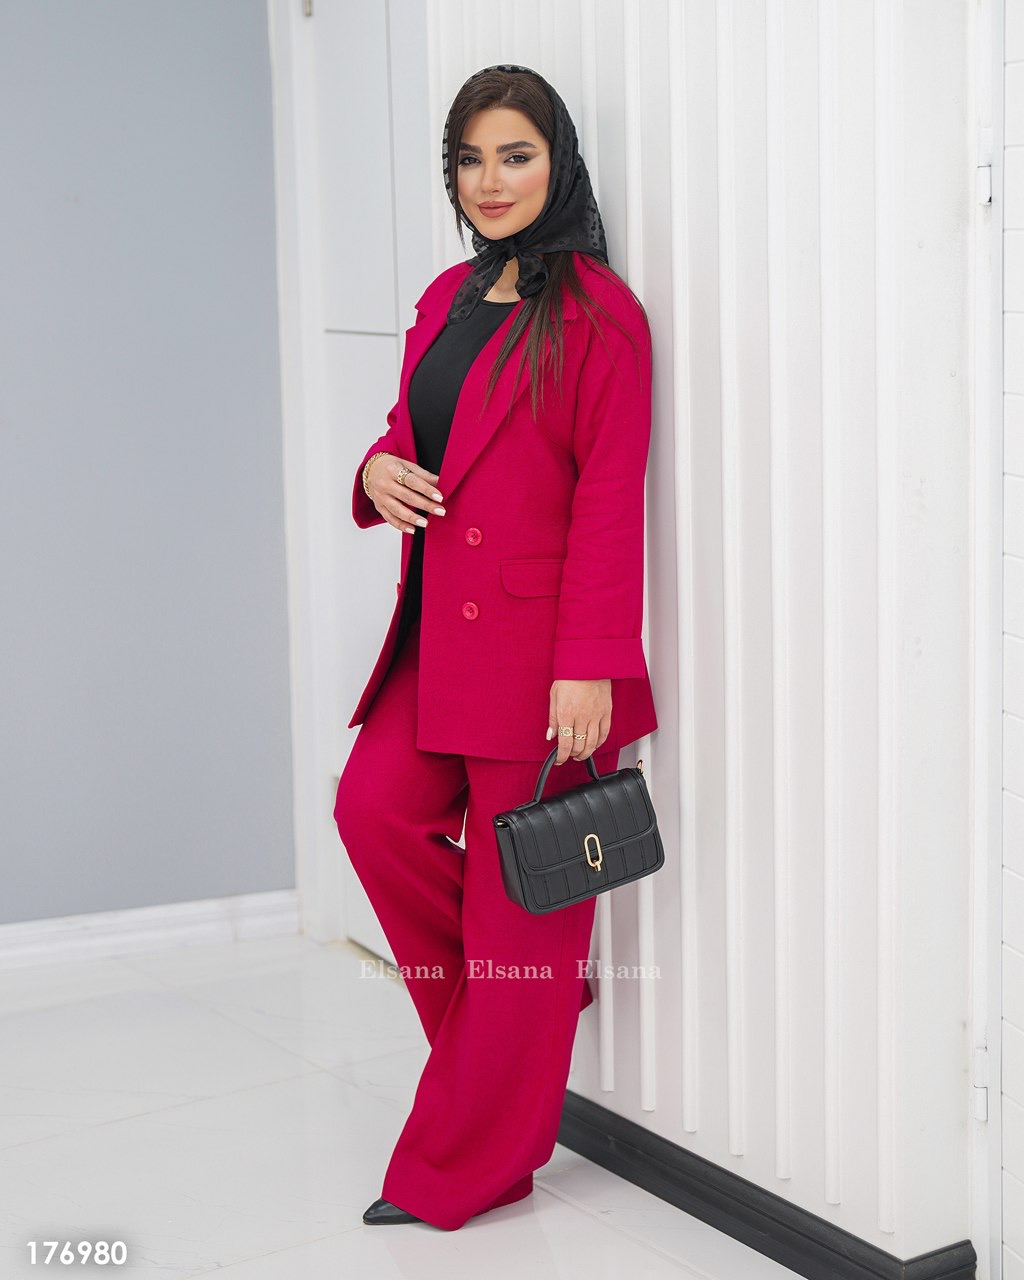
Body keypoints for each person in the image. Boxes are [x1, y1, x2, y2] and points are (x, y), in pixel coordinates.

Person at [333, 63, 658, 1232]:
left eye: (515, 155)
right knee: (372, 813)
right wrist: (375, 469)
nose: (490, 179)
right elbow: (412, 430)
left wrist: (590, 663)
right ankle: (521, 1015)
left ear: (556, 163)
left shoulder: (600, 316)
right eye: (470, 159)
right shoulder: (446, 297)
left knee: (513, 905)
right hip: (435, 637)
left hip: (541, 658)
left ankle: (469, 1163)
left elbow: (610, 498)